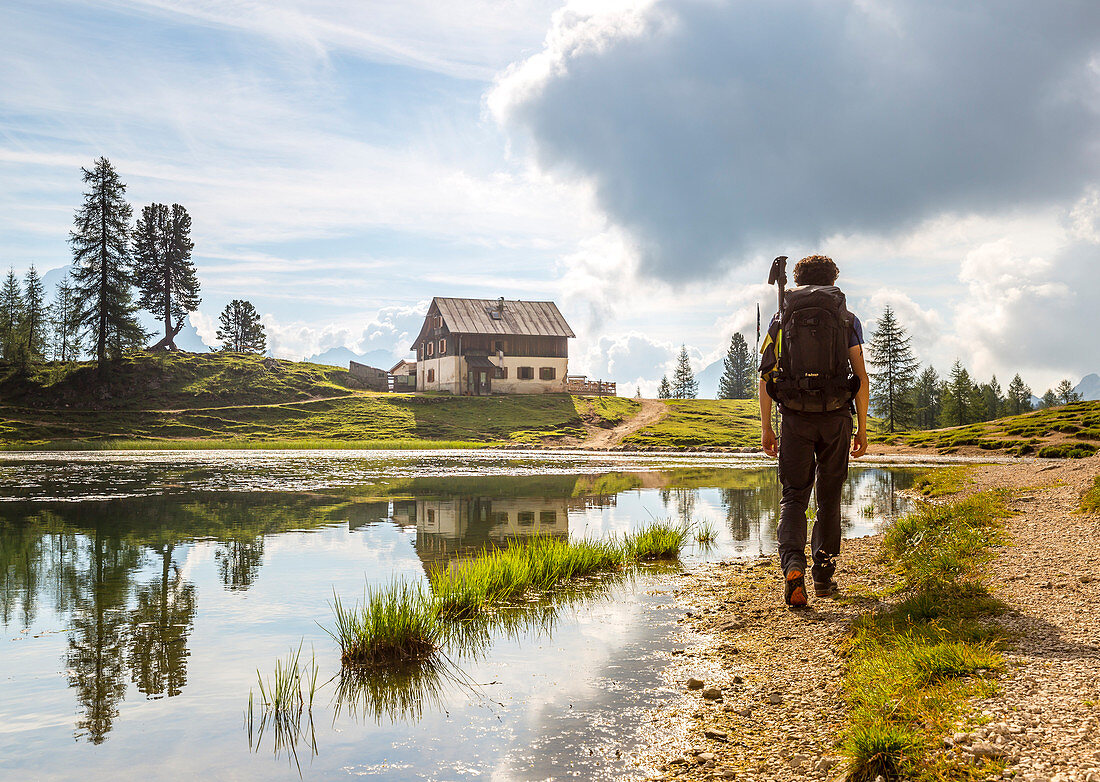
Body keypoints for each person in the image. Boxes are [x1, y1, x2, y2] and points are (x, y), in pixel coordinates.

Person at [757, 255, 870, 608]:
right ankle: (823, 576)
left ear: (797, 279)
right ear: (833, 279)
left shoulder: (781, 316)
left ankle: (793, 566)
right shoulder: (846, 318)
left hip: (794, 418)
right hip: (836, 417)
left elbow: (765, 377)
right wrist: (862, 429)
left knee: (793, 497)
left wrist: (766, 429)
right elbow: (861, 378)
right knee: (829, 497)